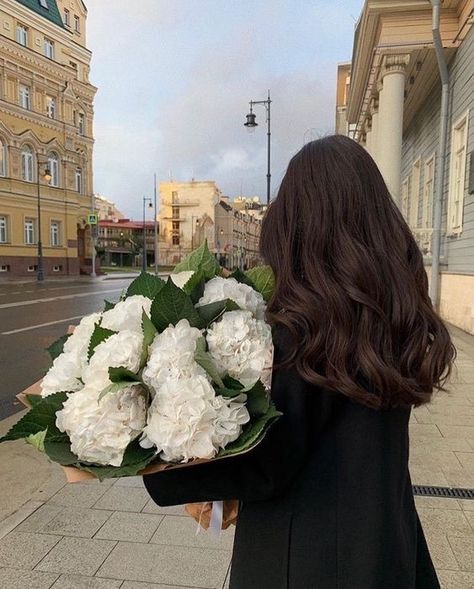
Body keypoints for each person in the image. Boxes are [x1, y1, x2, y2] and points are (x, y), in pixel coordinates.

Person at [143, 135, 455, 589]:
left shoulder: (300, 329)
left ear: (294, 226)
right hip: (386, 540)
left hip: (303, 555)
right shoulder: (398, 312)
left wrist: (159, 466)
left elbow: (269, 464)